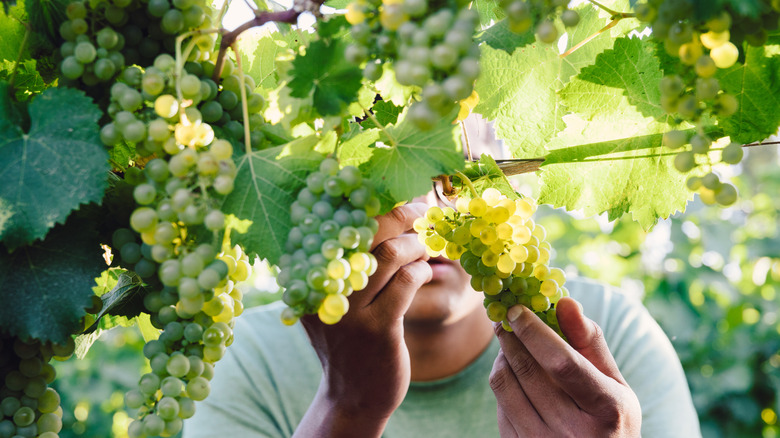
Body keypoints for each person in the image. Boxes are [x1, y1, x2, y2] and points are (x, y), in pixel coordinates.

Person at [182, 185, 702, 437]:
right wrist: (348, 405)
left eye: (457, 183)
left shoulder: (609, 335)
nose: (429, 214)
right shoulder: (248, 356)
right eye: (391, 182)